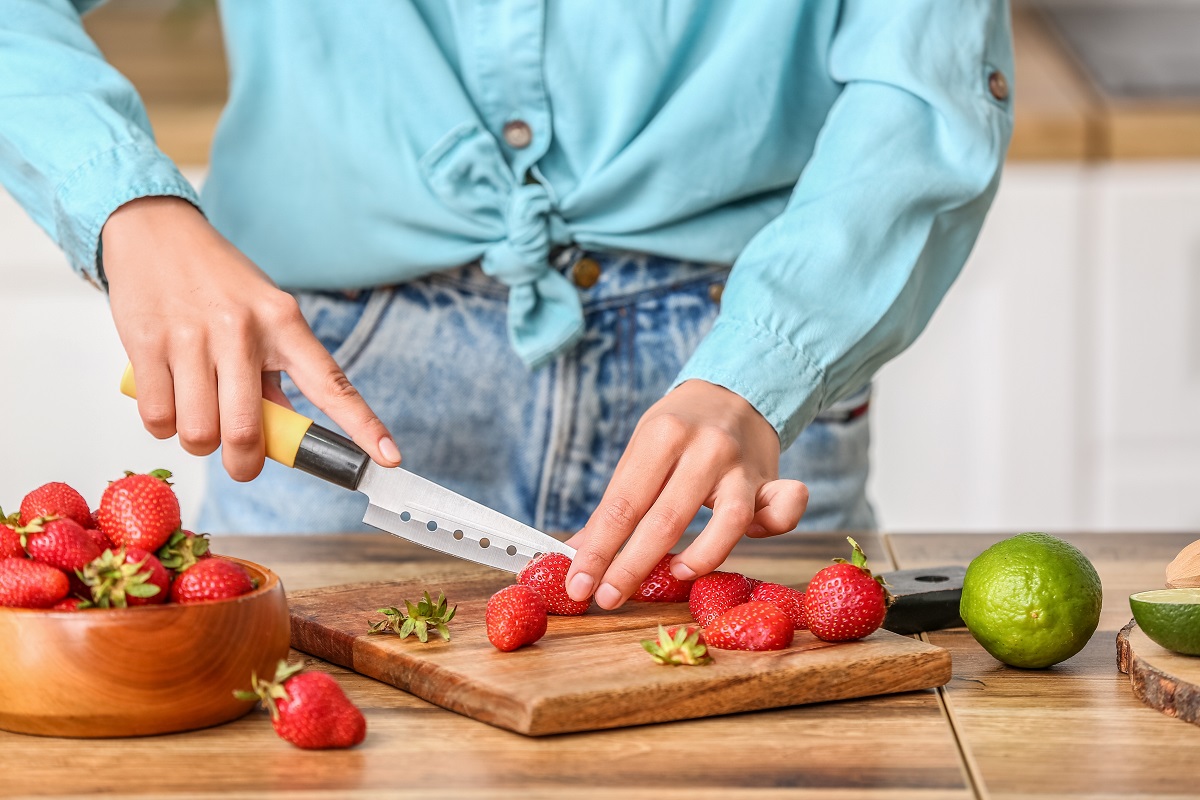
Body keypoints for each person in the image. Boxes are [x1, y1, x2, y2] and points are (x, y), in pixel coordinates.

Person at [0, 1, 1013, 610]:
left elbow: (925, 84)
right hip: (330, 374)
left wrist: (768, 361)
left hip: (734, 401)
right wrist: (128, 205)